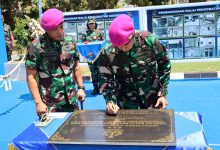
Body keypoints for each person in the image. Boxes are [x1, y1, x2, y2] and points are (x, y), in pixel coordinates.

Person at [98, 14, 171, 115]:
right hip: (125, 101)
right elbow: (106, 79)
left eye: (125, 44)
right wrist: (110, 101)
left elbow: (164, 66)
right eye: (118, 46)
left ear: (132, 35)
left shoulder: (150, 41)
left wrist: (162, 94)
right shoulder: (107, 51)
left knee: (156, 129)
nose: (122, 48)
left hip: (152, 98)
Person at [25, 8, 86, 117]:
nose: (59, 31)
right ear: (47, 29)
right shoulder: (35, 47)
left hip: (72, 101)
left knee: (76, 132)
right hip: (50, 104)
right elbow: (31, 77)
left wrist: (81, 88)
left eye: (61, 27)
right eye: (54, 29)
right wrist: (38, 103)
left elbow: (75, 66)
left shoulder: (70, 41)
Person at [82, 18, 104, 95]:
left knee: (100, 72)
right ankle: (95, 88)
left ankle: (101, 88)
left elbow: (103, 44)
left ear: (95, 24)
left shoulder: (99, 33)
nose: (91, 25)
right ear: (88, 25)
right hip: (90, 57)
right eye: (90, 24)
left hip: (98, 56)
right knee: (93, 72)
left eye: (93, 23)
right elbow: (83, 45)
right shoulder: (85, 34)